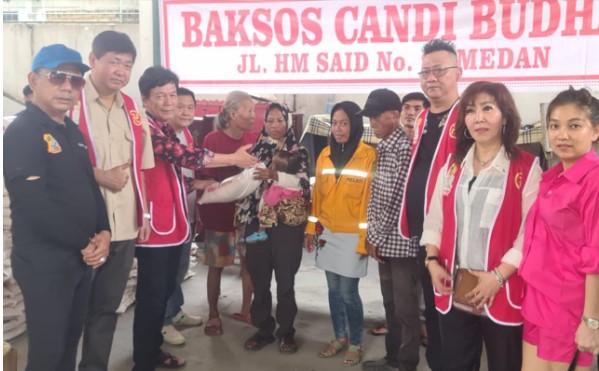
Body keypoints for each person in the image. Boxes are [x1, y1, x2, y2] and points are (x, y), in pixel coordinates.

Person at [135, 67, 256, 371]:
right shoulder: (145, 129)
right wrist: (234, 160)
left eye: (172, 95)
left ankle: (153, 352)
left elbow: (174, 175)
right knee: (151, 297)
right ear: (145, 99)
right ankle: (143, 361)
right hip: (154, 227)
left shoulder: (164, 128)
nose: (169, 102)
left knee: (163, 290)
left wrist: (196, 184)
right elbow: (185, 158)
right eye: (160, 96)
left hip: (175, 224)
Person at [3, 44, 111, 371]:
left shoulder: (69, 130)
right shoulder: (23, 131)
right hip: (45, 263)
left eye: (75, 80)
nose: (67, 86)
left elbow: (90, 186)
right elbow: (34, 205)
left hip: (78, 259)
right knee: (48, 353)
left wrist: (104, 230)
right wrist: (86, 242)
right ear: (34, 79)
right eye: (57, 77)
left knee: (68, 342)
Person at [421, 81, 542, 371]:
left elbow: (530, 234)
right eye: (471, 110)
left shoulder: (526, 167)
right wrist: (432, 261)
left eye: (488, 108)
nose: (479, 117)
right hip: (454, 287)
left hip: (501, 289)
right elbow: (435, 219)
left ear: (506, 116)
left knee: (505, 364)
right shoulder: (451, 164)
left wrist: (497, 277)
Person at [72, 30, 154, 371]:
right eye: (113, 62)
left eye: (127, 64)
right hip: (81, 226)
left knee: (106, 308)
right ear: (93, 60)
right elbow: (52, 163)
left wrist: (145, 215)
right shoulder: (70, 100)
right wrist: (97, 174)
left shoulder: (132, 109)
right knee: (70, 307)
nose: (121, 71)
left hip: (123, 226)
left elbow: (142, 167)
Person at [520, 87, 599, 371]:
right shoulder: (553, 176)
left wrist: (591, 322)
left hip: (566, 306)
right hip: (537, 296)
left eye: (574, 125)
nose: (562, 134)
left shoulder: (593, 182)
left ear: (595, 131)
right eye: (554, 125)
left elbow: (596, 259)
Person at [397, 38, 463, 371]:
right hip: (424, 235)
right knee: (435, 309)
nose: (431, 77)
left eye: (439, 70)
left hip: (456, 235)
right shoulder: (422, 118)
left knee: (455, 312)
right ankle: (437, 361)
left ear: (457, 72)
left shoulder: (468, 116)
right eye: (425, 71)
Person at [304, 101, 376, 366]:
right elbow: (318, 197)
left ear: (355, 125)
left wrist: (363, 241)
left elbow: (369, 202)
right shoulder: (324, 154)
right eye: (334, 123)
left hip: (352, 237)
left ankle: (355, 341)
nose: (338, 128)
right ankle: (339, 337)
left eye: (344, 123)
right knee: (333, 290)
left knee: (348, 292)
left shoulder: (368, 155)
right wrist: (311, 229)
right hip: (328, 233)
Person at [237, 102, 310, 353]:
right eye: (270, 121)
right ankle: (263, 329)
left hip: (286, 227)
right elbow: (243, 188)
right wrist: (241, 226)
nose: (275, 125)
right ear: (264, 123)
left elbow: (303, 185)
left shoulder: (297, 151)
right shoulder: (254, 150)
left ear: (288, 122)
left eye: (280, 120)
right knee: (259, 278)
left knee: (285, 280)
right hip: (257, 224)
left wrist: (274, 175)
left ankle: (286, 331)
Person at [360, 89, 419, 371]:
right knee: (391, 305)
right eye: (369, 116)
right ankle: (393, 358)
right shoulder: (385, 147)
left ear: (394, 116)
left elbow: (390, 199)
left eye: (375, 116)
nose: (371, 121)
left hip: (400, 245)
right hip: (385, 241)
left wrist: (373, 236)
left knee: (405, 310)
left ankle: (406, 364)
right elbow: (376, 196)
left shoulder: (402, 149)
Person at [199, 90, 257, 336]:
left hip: (246, 217)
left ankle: (247, 309)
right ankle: (213, 314)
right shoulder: (212, 140)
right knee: (217, 265)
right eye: (249, 110)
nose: (253, 116)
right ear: (233, 113)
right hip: (219, 216)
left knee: (249, 265)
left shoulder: (253, 138)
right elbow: (204, 180)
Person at [160, 87, 208, 345]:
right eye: (181, 106)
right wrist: (196, 186)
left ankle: (175, 311)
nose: (187, 111)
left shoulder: (186, 133)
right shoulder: (163, 138)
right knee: (168, 270)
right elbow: (169, 178)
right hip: (169, 215)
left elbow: (190, 170)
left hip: (186, 212)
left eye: (191, 107)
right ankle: (164, 322)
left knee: (179, 267)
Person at [245, 150, 306, 244]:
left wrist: (265, 192)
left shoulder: (278, 186)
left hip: (282, 219)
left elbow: (271, 201)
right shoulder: (297, 180)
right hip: (297, 218)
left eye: (273, 164)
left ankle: (261, 232)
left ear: (278, 168)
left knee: (267, 207)